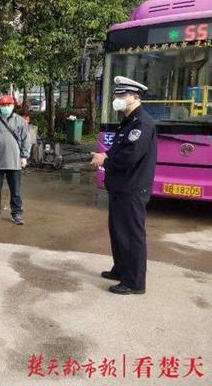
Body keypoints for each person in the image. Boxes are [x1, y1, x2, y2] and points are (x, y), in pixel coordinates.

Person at [90, 76, 157, 295]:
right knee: (118, 231)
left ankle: (134, 282)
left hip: (132, 187)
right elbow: (119, 149)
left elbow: (129, 157)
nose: (117, 98)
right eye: (116, 94)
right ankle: (121, 269)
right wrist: (104, 155)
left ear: (135, 97)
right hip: (121, 186)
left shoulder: (142, 123)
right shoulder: (128, 121)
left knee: (131, 234)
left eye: (122, 95)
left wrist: (105, 161)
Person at [0, 95, 31, 225]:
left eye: (8, 105)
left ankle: (17, 213)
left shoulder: (20, 121)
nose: (6, 107)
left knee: (15, 191)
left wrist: (24, 156)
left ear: (13, 106)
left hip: (15, 162)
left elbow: (26, 140)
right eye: (3, 105)